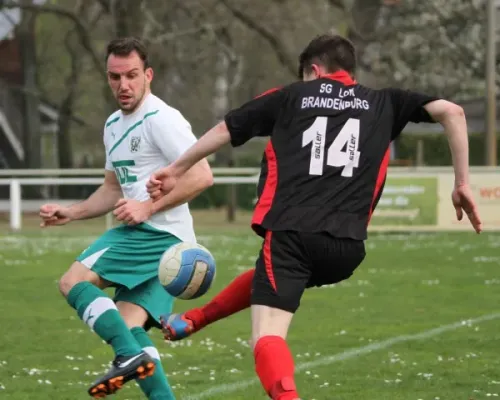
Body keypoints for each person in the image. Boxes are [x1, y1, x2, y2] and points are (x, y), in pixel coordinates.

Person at [148, 34, 482, 400]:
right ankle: (195, 319)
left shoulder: (291, 96)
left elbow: (226, 130)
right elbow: (453, 112)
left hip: (292, 232)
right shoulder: (386, 101)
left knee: (266, 337)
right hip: (347, 248)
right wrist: (462, 183)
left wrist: (176, 169)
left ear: (314, 70)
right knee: (271, 277)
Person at [39, 37, 213, 399]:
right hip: (165, 243)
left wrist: (146, 208)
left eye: (132, 75)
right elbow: (112, 188)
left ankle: (127, 356)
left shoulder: (161, 119)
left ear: (148, 75)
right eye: (115, 77)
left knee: (72, 282)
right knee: (129, 325)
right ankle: (144, 372)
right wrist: (71, 212)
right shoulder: (112, 125)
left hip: (156, 235)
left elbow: (201, 176)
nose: (124, 84)